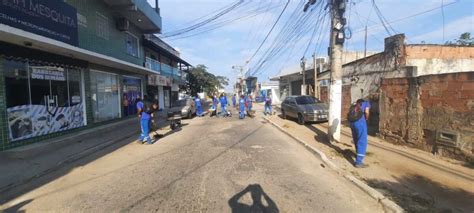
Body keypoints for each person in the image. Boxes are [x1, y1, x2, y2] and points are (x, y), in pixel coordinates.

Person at [349, 99, 371, 168]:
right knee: (362, 141)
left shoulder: (354, 105)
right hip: (360, 123)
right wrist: (367, 118)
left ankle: (357, 153)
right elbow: (367, 112)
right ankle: (359, 162)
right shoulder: (367, 103)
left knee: (356, 139)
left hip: (352, 123)